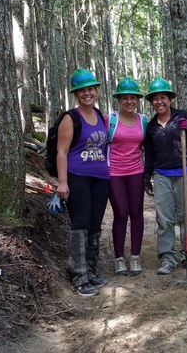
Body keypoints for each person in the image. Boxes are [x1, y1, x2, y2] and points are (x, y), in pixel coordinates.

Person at [56, 68, 110, 296]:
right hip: (77, 177)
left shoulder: (99, 115)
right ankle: (79, 275)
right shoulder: (70, 118)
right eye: (82, 91)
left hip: (100, 177)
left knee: (95, 224)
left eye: (91, 89)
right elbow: (61, 151)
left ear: (96, 91)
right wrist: (62, 182)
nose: (88, 93)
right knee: (80, 223)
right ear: (76, 95)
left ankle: (90, 269)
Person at [143, 77, 187, 275]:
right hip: (162, 176)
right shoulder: (151, 126)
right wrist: (147, 177)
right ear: (151, 102)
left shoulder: (182, 116)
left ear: (169, 99)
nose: (159, 102)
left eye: (163, 97)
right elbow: (150, 155)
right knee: (165, 219)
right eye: (155, 99)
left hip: (185, 173)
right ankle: (168, 257)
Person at [106, 77, 148, 276]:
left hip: (136, 172)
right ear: (119, 100)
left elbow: (149, 146)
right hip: (114, 173)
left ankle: (136, 256)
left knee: (136, 213)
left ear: (138, 100)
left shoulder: (143, 120)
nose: (129, 101)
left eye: (133, 98)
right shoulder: (110, 120)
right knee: (121, 213)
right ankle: (119, 258)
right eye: (125, 98)